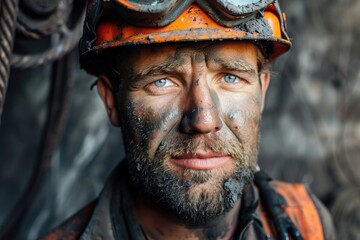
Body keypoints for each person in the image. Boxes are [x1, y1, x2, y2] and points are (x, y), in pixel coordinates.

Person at [42, 0, 335, 239]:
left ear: (263, 90)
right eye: (162, 81)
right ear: (111, 100)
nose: (203, 120)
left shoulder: (309, 222)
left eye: (231, 77)